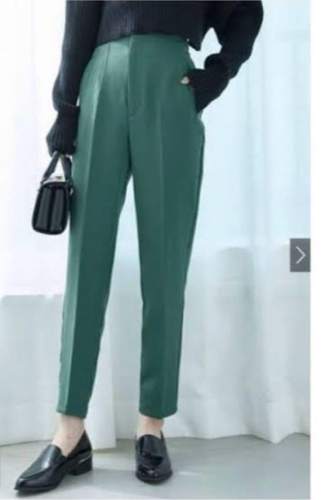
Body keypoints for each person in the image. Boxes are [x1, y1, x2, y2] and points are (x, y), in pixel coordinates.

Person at [15, 0, 263, 493]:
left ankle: (152, 423)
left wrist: (219, 72)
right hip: (101, 81)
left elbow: (245, 11)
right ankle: (69, 429)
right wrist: (66, 109)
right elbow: (79, 22)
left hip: (171, 83)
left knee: (165, 261)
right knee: (86, 262)